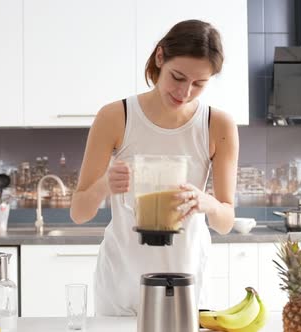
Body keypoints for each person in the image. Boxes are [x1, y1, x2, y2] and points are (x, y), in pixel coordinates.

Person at [69, 19, 239, 316]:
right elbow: (79, 212)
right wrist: (105, 185)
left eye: (199, 84)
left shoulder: (218, 125)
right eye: (178, 77)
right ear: (160, 58)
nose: (185, 92)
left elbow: (225, 222)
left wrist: (208, 203)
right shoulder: (115, 116)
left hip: (188, 285)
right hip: (121, 285)